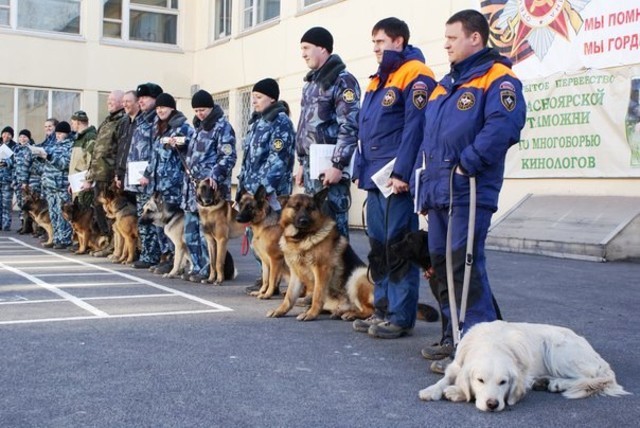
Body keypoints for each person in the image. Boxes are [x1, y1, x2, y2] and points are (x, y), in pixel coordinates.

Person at [413, 9, 526, 373]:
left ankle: (477, 346)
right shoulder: (445, 85)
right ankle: (455, 335)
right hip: (439, 191)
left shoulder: (498, 78)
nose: (445, 44)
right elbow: (430, 139)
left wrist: (469, 162)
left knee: (464, 265)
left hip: (469, 187)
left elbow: (504, 125)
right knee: (443, 267)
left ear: (474, 38)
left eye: (452, 38)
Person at [352, 17, 436, 339]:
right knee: (379, 247)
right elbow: (366, 132)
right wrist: (361, 172)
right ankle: (383, 310)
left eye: (381, 42)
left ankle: (401, 316)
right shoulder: (378, 80)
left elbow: (416, 129)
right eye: (373, 42)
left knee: (399, 246)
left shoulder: (415, 74)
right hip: (376, 179)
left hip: (395, 180)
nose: (375, 48)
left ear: (398, 42)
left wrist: (403, 172)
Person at [296, 26, 360, 239]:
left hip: (330, 171)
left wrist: (338, 165)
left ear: (322, 48)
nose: (303, 53)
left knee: (334, 234)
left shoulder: (342, 80)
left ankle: (341, 274)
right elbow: (305, 126)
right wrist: (300, 163)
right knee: (314, 234)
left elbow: (349, 126)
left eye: (306, 47)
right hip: (311, 169)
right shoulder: (310, 84)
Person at [237, 78, 296, 295]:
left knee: (274, 240)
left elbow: (277, 159)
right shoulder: (257, 122)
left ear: (272, 98)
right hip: (252, 193)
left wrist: (262, 190)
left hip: (270, 195)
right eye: (252, 98)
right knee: (259, 240)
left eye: (259, 97)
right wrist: (243, 187)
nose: (254, 102)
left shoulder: (280, 122)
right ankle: (267, 278)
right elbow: (248, 160)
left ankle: (278, 282)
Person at [180, 89, 237, 283]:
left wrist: (216, 174)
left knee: (213, 237)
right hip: (194, 191)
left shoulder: (222, 127)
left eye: (202, 109)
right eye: (196, 110)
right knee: (191, 233)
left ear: (211, 107)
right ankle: (198, 266)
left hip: (212, 194)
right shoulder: (198, 127)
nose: (199, 114)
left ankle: (212, 270)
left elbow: (228, 155)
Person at [139, 92, 194, 275]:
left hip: (174, 186)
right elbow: (154, 156)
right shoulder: (159, 128)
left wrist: (177, 142)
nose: (160, 110)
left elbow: (190, 144)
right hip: (159, 185)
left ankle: (176, 260)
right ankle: (167, 256)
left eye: (164, 107)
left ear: (172, 108)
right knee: (160, 224)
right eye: (158, 108)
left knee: (175, 227)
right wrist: (147, 174)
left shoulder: (182, 126)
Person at [83, 90, 126, 255]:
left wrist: (117, 174)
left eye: (113, 100)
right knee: (99, 209)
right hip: (98, 173)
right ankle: (108, 241)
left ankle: (114, 244)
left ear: (122, 102)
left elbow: (120, 149)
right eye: (108, 100)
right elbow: (96, 152)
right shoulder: (108, 120)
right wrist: (89, 176)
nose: (109, 102)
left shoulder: (122, 121)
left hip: (109, 174)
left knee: (110, 211)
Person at [126, 82, 163, 269]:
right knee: (143, 218)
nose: (140, 101)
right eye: (139, 98)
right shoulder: (141, 120)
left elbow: (155, 152)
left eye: (144, 98)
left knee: (153, 219)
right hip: (138, 178)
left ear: (155, 99)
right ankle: (148, 253)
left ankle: (155, 255)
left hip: (150, 180)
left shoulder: (156, 120)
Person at [40, 121, 74, 249]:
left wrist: (49, 157)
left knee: (62, 213)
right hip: (50, 185)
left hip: (61, 184)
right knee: (53, 213)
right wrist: (40, 158)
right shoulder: (53, 145)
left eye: (60, 133)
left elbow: (65, 164)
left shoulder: (70, 146)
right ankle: (56, 237)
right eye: (57, 133)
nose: (58, 136)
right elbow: (45, 165)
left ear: (66, 133)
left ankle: (64, 239)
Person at [68, 111, 97, 209]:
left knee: (85, 217)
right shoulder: (79, 138)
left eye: (73, 122)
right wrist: (72, 183)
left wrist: (88, 181)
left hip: (84, 185)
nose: (71, 125)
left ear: (78, 122)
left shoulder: (90, 137)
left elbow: (93, 161)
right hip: (77, 184)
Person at [13, 129, 35, 234]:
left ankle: (29, 226)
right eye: (21, 136)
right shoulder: (16, 149)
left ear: (29, 138)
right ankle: (23, 224)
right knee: (21, 203)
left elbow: (29, 166)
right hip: (17, 181)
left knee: (28, 204)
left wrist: (25, 181)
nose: (22, 138)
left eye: (25, 137)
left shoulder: (31, 149)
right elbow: (14, 165)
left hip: (27, 181)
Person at [0, 126, 17, 231]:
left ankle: (6, 224)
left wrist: (6, 162)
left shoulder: (14, 147)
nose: (6, 136)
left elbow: (16, 162)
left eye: (9, 134)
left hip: (7, 179)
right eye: (4, 134)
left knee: (6, 203)